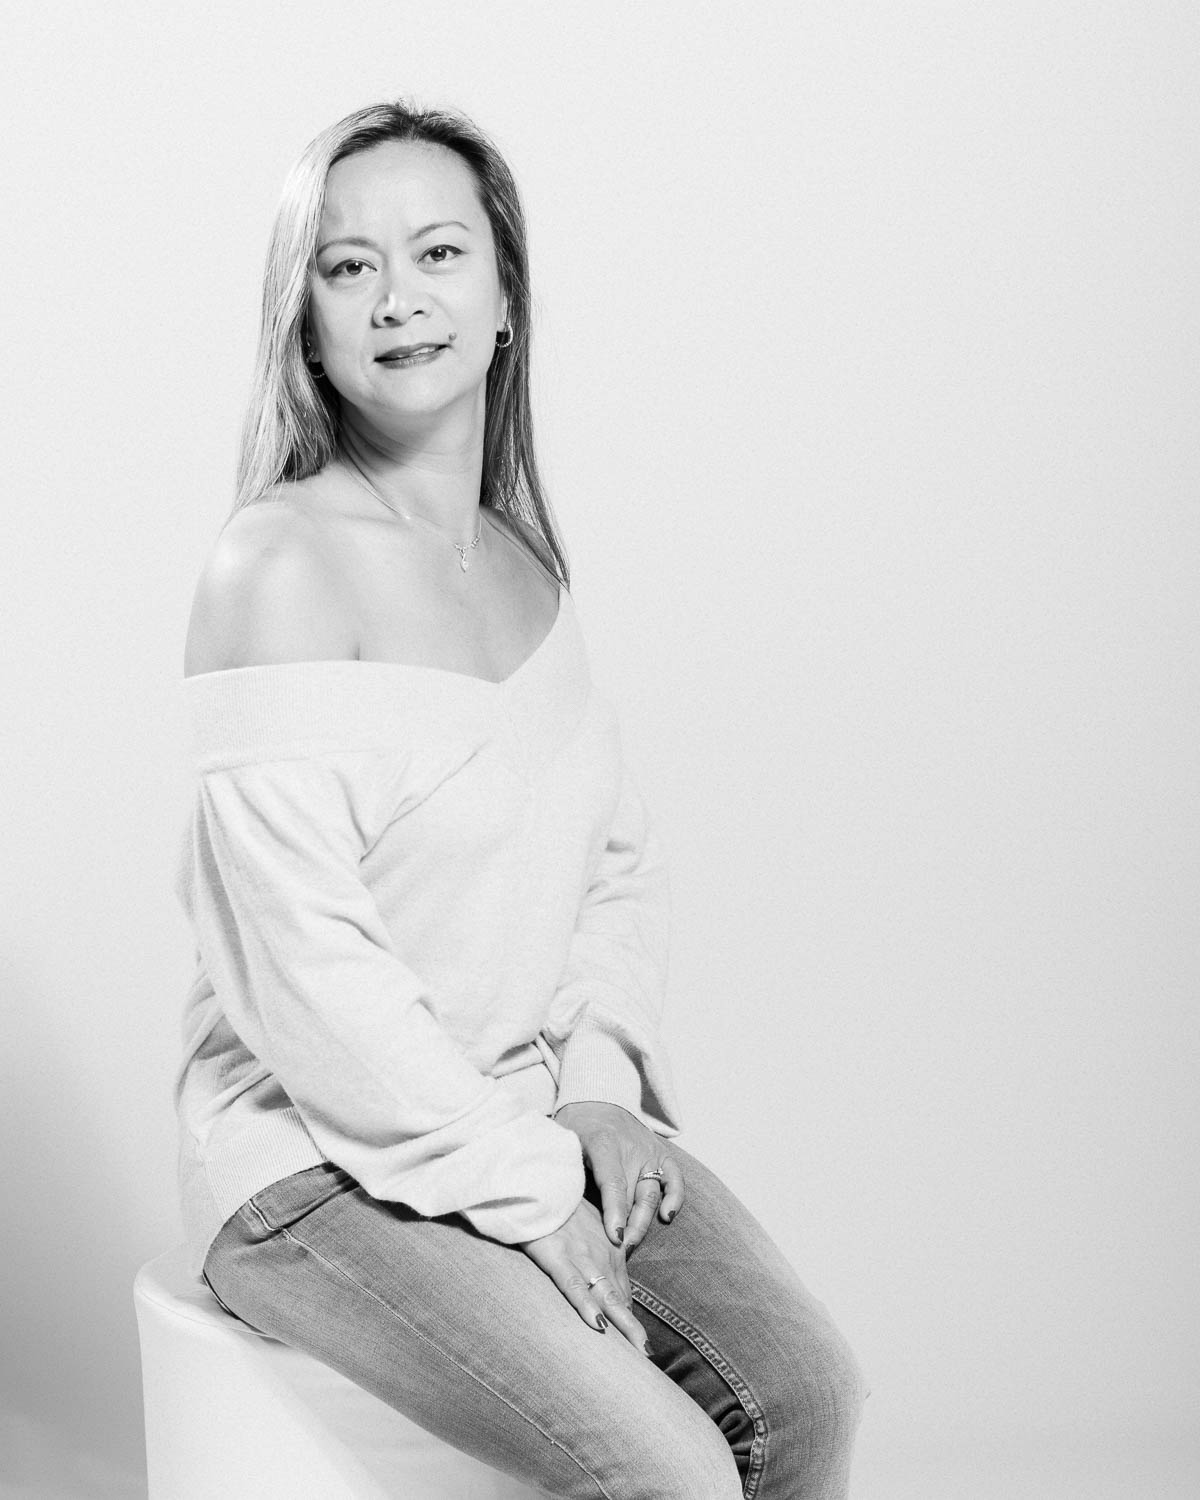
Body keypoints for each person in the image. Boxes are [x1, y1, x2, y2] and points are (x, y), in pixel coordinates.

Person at [175, 99, 865, 1499]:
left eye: (437, 253)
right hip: (312, 1166)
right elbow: (308, 972)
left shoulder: (523, 568)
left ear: (504, 298)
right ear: (302, 317)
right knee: (664, 1469)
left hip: (518, 1118)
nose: (397, 298)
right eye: (346, 265)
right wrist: (526, 1188)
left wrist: (600, 1089)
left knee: (807, 1396)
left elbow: (612, 856)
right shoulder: (279, 565)